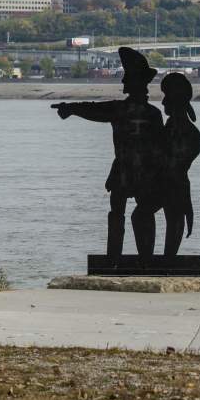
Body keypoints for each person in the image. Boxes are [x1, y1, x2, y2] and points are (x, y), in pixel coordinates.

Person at [51, 47, 164, 265]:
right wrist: (71, 108)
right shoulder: (152, 114)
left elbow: (94, 110)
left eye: (127, 79)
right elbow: (93, 109)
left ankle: (115, 258)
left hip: (129, 171)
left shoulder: (122, 110)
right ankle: (144, 258)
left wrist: (71, 109)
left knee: (121, 213)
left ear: (134, 83)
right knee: (132, 213)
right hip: (140, 172)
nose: (123, 83)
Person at [160, 72, 200, 256]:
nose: (163, 102)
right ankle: (160, 260)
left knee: (173, 217)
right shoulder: (171, 129)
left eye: (166, 97)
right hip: (171, 185)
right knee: (141, 215)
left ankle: (167, 261)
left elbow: (176, 169)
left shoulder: (188, 133)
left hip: (171, 186)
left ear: (175, 101)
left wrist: (186, 202)